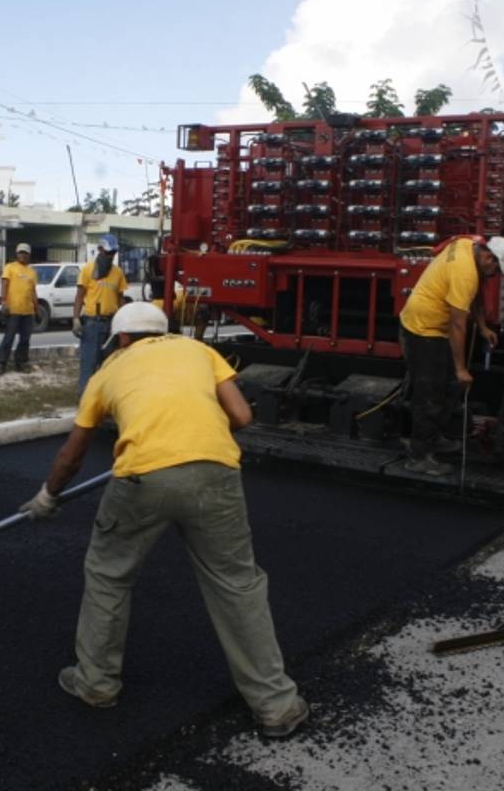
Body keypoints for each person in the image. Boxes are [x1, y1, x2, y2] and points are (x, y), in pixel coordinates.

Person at [20, 302, 309, 738]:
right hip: (216, 473)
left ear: (120, 339)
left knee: (108, 574)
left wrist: (48, 496)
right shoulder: (197, 350)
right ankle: (277, 706)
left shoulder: (108, 372)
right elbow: (243, 416)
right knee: (237, 584)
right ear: (163, 331)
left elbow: (72, 454)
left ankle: (96, 684)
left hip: (141, 479)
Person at [397, 235, 504, 475]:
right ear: (487, 256)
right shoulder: (464, 273)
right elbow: (458, 325)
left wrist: (482, 327)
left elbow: (479, 293)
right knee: (430, 393)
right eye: (496, 268)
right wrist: (461, 369)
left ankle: (434, 438)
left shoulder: (467, 246)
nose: (495, 274)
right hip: (422, 330)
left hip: (434, 328)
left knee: (449, 386)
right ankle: (418, 456)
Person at [72, 234, 128, 394]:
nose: (111, 256)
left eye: (113, 253)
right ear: (100, 249)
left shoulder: (118, 273)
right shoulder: (88, 270)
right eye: (108, 252)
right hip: (91, 324)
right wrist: (75, 319)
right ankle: (85, 400)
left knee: (109, 365)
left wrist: (123, 322)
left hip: (111, 324)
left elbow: (120, 299)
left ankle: (104, 403)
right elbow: (79, 296)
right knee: (88, 364)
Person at [0, 243, 38, 374]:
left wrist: (36, 308)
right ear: (16, 254)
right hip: (13, 310)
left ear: (29, 255)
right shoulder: (10, 268)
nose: (23, 255)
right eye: (20, 253)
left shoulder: (32, 272)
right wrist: (3, 302)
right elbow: (4, 285)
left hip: (28, 311)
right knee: (9, 338)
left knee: (25, 339)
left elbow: (33, 291)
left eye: (25, 253)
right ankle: (0, 363)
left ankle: (22, 362)